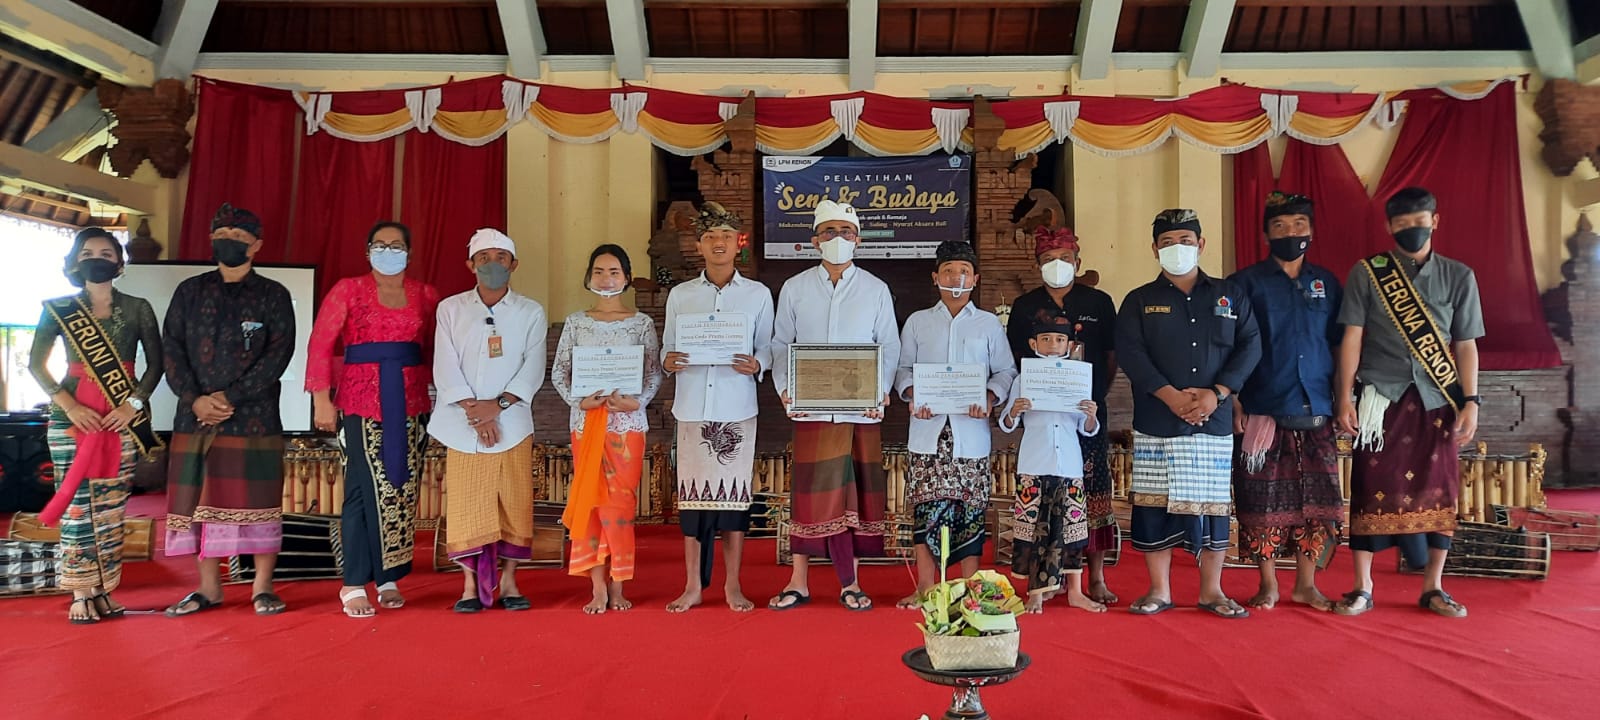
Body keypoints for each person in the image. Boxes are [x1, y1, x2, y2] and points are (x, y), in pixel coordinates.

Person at [1333, 187, 1483, 619]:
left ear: (1435, 221)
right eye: (1402, 223)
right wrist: (1344, 396)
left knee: (1441, 491)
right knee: (1368, 489)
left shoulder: (1459, 276)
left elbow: (1466, 344)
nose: (1411, 229)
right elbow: (1352, 338)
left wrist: (1470, 401)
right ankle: (1363, 586)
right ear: (1389, 226)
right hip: (1381, 398)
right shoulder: (1368, 272)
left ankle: (1433, 587)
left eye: (1420, 221)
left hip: (1439, 400)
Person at [1116, 208, 1261, 619]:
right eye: (1166, 243)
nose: (1176, 249)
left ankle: (1212, 591)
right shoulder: (1139, 300)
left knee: (1213, 507)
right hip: (1158, 419)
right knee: (1153, 504)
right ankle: (1159, 590)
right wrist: (1169, 396)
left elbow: (1250, 346)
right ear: (1153, 249)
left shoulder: (1230, 295)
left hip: (1212, 420)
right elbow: (1131, 352)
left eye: (1184, 240)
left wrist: (1217, 393)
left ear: (1201, 244)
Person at [163, 203, 296, 617]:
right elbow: (172, 350)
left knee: (259, 502)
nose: (230, 242)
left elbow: (279, 354)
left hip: (253, 417)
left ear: (256, 245)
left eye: (240, 238)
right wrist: (195, 398)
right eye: (223, 235)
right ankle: (209, 588)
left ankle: (262, 587)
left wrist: (231, 398)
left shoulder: (273, 294)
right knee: (199, 503)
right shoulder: (189, 291)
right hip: (195, 415)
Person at [768, 198, 900, 612]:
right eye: (829, 232)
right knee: (809, 497)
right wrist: (787, 390)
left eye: (845, 232)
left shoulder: (876, 289)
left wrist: (879, 390)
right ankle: (799, 581)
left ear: (857, 240)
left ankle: (851, 583)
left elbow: (889, 346)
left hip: (858, 412)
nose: (837, 239)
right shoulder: (795, 288)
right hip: (810, 409)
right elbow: (779, 345)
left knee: (854, 498)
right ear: (814, 240)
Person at [306, 221, 441, 618]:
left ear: (409, 253)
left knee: (401, 489)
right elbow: (320, 343)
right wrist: (321, 400)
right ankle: (353, 583)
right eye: (380, 245)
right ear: (367, 251)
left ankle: (388, 577)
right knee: (363, 492)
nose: (388, 250)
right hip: (361, 401)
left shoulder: (426, 295)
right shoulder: (348, 289)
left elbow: (437, 348)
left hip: (412, 403)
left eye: (396, 245)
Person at [29, 227, 162, 624]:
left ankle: (103, 588)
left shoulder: (138, 307)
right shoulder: (58, 309)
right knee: (76, 507)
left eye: (106, 253)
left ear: (119, 263)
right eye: (88, 252)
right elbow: (37, 364)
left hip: (121, 418)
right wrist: (68, 406)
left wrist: (132, 404)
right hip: (73, 418)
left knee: (110, 506)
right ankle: (80, 589)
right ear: (74, 262)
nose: (97, 258)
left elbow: (156, 364)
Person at [1228, 192, 1345, 611]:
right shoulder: (1244, 284)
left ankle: (1306, 584)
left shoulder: (1327, 283)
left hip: (1317, 408)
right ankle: (1267, 584)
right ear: (1265, 234)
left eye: (1298, 225)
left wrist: (1345, 398)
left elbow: (1340, 345)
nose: (1290, 233)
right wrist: (1235, 399)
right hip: (1264, 407)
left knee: (1318, 504)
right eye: (1280, 226)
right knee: (1260, 502)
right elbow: (1232, 346)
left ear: (1310, 231)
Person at [661, 203, 774, 613]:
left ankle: (733, 586)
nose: (719, 243)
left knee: (732, 502)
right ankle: (692, 585)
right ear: (699, 245)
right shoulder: (681, 295)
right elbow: (668, 347)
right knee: (692, 503)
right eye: (711, 237)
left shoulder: (757, 295)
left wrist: (759, 363)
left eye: (726, 236)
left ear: (738, 243)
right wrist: (667, 361)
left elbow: (767, 345)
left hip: (736, 407)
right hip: (692, 407)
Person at [893, 240, 1015, 609]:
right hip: (929, 434)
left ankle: (969, 591)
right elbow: (901, 370)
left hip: (970, 433)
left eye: (963, 271)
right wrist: (913, 393)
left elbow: (1006, 371)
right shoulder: (918, 322)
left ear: (975, 278)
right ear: (936, 277)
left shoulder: (988, 324)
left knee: (970, 511)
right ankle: (926, 589)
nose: (956, 277)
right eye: (948, 271)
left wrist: (991, 397)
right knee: (927, 508)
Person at [1003, 225, 1120, 606]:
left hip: (1084, 413)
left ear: (1077, 262)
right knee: (1044, 499)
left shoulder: (1099, 302)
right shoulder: (1024, 306)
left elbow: (1110, 357)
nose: (1058, 266)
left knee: (1093, 495)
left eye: (1065, 259)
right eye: (1049, 260)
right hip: (1040, 419)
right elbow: (1018, 361)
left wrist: (1092, 397)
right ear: (1038, 265)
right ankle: (1042, 581)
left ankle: (1095, 578)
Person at [432, 228, 547, 613]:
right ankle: (468, 586)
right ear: (470, 265)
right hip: (462, 426)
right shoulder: (450, 309)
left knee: (513, 502)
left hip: (512, 423)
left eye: (501, 258)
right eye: (484, 258)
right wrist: (475, 412)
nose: (492, 265)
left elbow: (533, 368)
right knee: (467, 504)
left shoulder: (530, 311)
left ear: (514, 265)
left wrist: (496, 406)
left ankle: (511, 581)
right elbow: (445, 366)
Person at [552, 244, 664, 615]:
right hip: (587, 424)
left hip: (628, 426)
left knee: (619, 506)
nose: (606, 278)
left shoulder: (641, 323)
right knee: (591, 503)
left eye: (614, 271)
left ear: (627, 278)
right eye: (599, 271)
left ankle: (619, 584)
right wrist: (578, 400)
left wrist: (638, 401)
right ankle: (597, 587)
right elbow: (559, 373)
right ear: (588, 277)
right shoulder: (576, 322)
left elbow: (652, 373)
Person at [999, 317, 1102, 613]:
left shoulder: (1079, 376)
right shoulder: (1023, 379)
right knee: (1034, 529)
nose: (1053, 345)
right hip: (1034, 461)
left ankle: (1075, 592)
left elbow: (1088, 428)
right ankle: (1035, 592)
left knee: (1072, 529)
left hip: (1069, 463)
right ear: (1034, 344)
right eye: (1045, 339)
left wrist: (1092, 414)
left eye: (1059, 340)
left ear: (1070, 345)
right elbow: (1007, 424)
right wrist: (1015, 410)